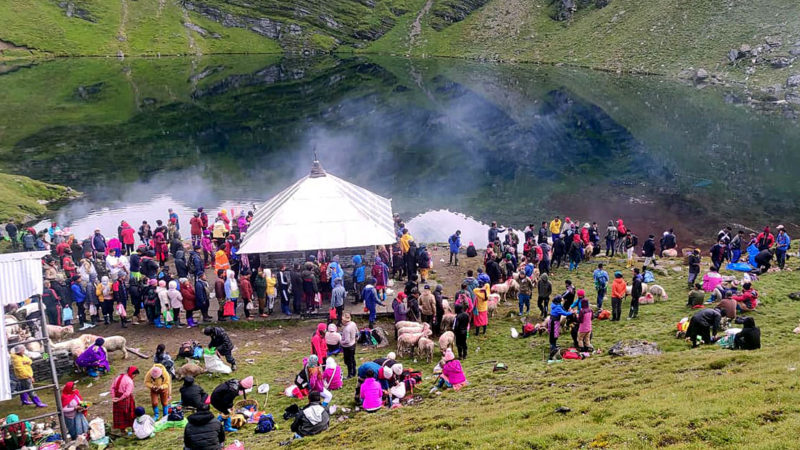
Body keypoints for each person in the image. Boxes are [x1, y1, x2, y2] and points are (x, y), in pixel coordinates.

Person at [111, 366, 139, 431]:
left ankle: (122, 430)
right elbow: (127, 393)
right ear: (133, 374)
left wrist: (114, 397)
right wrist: (120, 399)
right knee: (130, 413)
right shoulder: (129, 381)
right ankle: (133, 428)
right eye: (135, 375)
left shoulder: (118, 377)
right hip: (125, 399)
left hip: (116, 397)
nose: (134, 377)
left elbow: (112, 387)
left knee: (120, 415)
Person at [339, 313, 358, 379]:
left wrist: (340, 342)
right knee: (352, 359)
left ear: (344, 321)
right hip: (353, 344)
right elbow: (357, 332)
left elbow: (347, 341)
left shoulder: (347, 329)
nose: (341, 320)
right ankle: (354, 372)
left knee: (348, 361)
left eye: (342, 319)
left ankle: (350, 374)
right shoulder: (353, 323)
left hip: (348, 347)